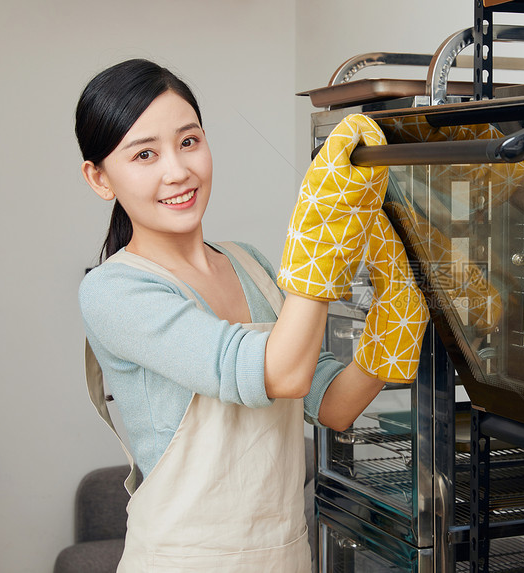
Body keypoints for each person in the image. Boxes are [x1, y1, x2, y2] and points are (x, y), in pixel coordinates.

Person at [76, 59, 428, 571]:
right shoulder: (114, 291)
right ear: (99, 178)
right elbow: (278, 374)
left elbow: (332, 404)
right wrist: (319, 251)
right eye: (145, 154)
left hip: (283, 558)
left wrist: (398, 314)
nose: (177, 170)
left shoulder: (250, 264)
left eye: (189, 141)